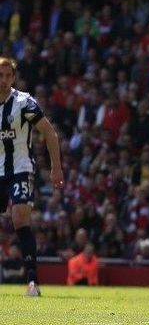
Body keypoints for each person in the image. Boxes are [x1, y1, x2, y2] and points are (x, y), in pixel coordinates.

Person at [0, 56, 63, 296]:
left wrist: (56, 167)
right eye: (0, 75)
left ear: (13, 77)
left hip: (20, 168)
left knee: (19, 217)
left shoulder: (23, 102)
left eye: (8, 76)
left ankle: (32, 281)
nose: (4, 80)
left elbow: (49, 133)